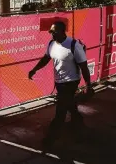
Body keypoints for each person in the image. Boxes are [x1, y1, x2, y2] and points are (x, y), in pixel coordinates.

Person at [28, 21, 92, 150]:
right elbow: (46, 58)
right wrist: (34, 69)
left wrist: (88, 85)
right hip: (59, 82)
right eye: (51, 31)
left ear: (63, 31)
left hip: (71, 82)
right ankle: (80, 128)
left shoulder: (73, 45)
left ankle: (51, 138)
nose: (51, 34)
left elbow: (84, 67)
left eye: (54, 31)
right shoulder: (51, 44)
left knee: (60, 111)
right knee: (70, 106)